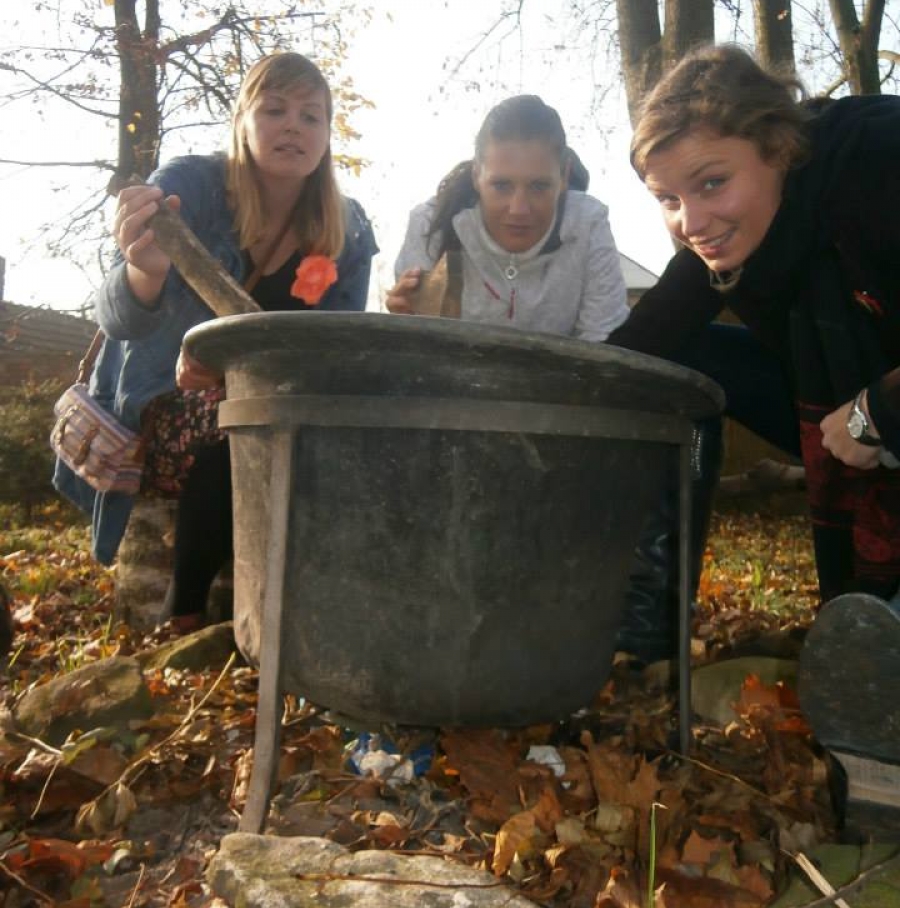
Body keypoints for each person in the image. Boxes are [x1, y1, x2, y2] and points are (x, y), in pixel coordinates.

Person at [54, 50, 379, 630]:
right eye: (274, 109)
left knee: (275, 424)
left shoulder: (346, 229)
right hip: (163, 399)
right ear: (243, 121)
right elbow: (119, 321)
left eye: (311, 116)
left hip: (268, 403)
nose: (292, 127)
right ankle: (184, 616)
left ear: (327, 135)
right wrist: (144, 270)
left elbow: (338, 351)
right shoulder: (190, 188)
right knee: (248, 426)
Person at [609, 43, 900, 604]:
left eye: (712, 183)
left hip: (876, 410)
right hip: (846, 420)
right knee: (669, 370)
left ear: (780, 148)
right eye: (668, 198)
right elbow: (633, 351)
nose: (691, 223)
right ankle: (652, 624)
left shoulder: (877, 163)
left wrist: (879, 412)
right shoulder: (724, 242)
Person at [386, 95, 630, 340]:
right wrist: (405, 327)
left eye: (538, 186)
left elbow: (603, 343)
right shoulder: (431, 225)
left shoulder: (588, 224)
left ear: (564, 177)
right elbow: (421, 353)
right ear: (476, 176)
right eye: (501, 185)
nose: (518, 209)